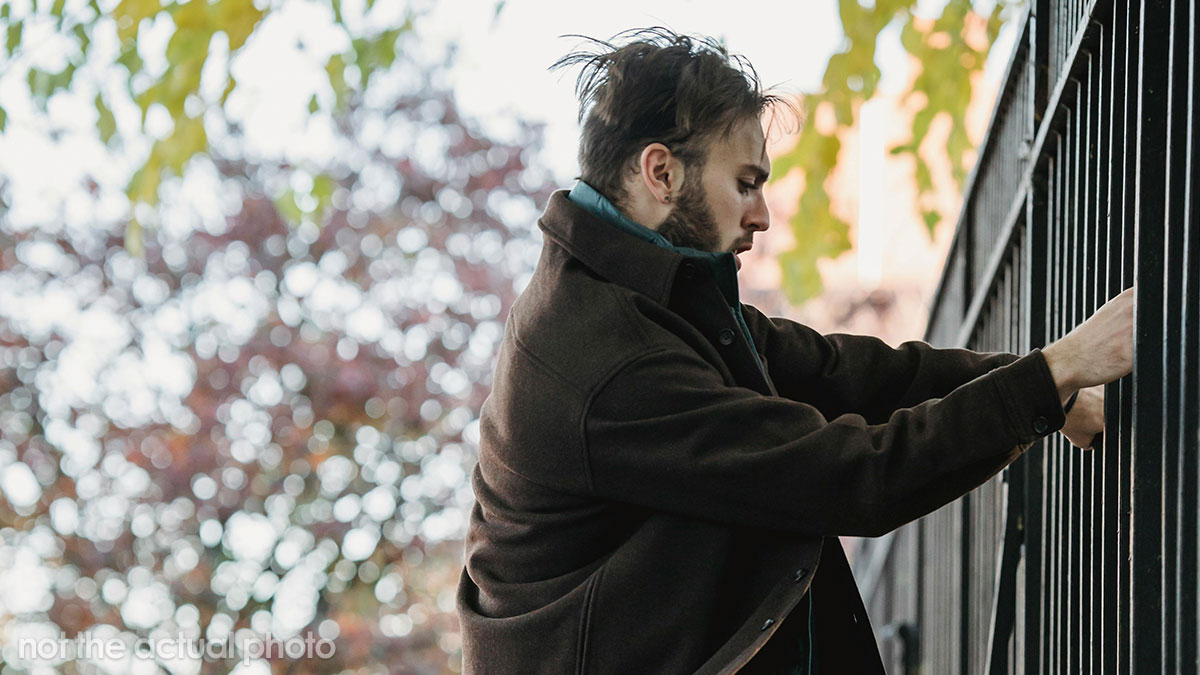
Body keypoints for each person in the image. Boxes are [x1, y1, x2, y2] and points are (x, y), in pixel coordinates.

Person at [455, 27, 1133, 674]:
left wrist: (1037, 383)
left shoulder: (650, 292)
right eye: (746, 183)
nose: (763, 214)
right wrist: (1057, 372)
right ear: (661, 172)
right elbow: (851, 478)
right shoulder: (606, 360)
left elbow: (840, 373)